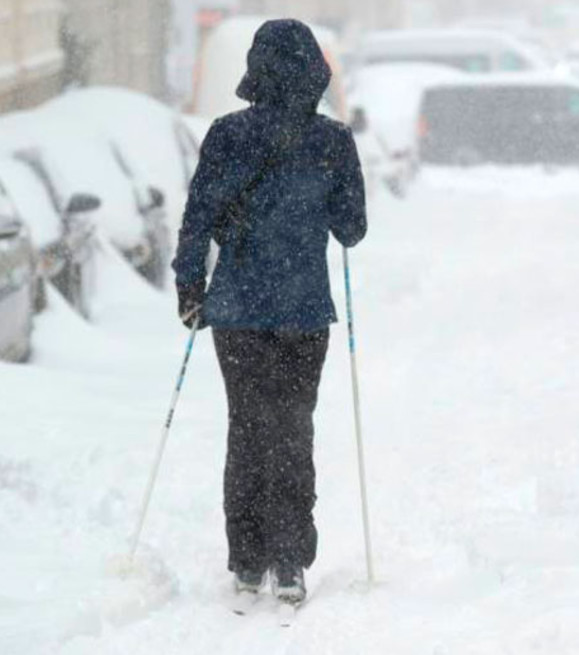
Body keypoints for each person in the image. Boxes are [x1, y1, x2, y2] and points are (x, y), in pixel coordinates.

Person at [172, 19, 367, 605]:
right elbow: (352, 230)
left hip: (236, 311)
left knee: (248, 427)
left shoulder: (226, 135)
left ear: (255, 70)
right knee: (292, 428)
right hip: (302, 311)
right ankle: (290, 560)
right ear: (314, 71)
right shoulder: (332, 142)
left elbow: (196, 219)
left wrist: (189, 286)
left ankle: (248, 558)